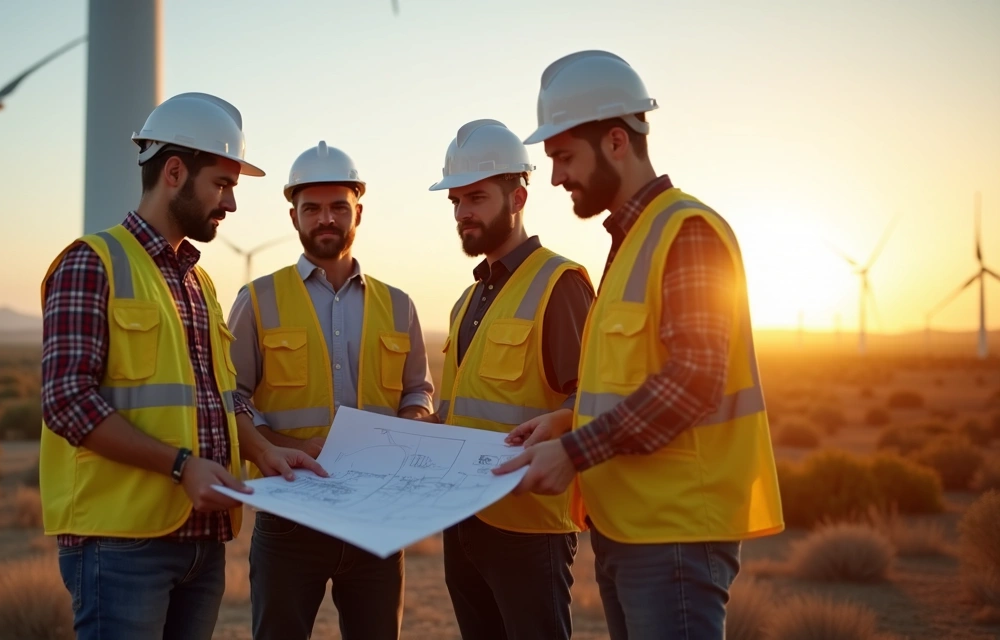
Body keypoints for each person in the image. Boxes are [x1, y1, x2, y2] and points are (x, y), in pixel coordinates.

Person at [493, 50, 785, 640]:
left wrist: (574, 453)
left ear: (618, 141)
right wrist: (563, 420)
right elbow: (629, 380)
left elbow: (695, 379)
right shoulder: (630, 241)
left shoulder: (686, 233)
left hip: (674, 533)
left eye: (564, 157)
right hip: (631, 529)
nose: (555, 177)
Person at [38, 92, 325, 640]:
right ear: (174, 172)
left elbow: (221, 397)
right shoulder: (91, 263)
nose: (231, 205)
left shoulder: (200, 283)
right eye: (222, 184)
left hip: (203, 543)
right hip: (121, 543)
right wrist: (180, 467)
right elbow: (66, 402)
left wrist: (263, 450)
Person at [227, 140, 435, 640]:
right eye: (312, 208)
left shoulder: (399, 304)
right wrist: (286, 447)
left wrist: (406, 432)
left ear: (357, 211)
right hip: (290, 517)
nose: (326, 218)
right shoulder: (257, 299)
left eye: (338, 206)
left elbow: (418, 394)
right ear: (293, 215)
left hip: (377, 518)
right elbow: (231, 397)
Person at [423, 119, 595, 640]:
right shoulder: (466, 301)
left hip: (529, 529)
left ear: (518, 196)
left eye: (475, 197)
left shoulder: (559, 284)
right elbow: (463, 410)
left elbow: (591, 399)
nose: (463, 213)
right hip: (465, 523)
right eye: (455, 201)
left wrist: (564, 422)